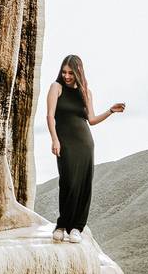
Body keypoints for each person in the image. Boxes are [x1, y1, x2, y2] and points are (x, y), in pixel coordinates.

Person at [46, 55, 125, 243]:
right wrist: (54, 139)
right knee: (68, 182)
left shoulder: (86, 92)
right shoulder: (56, 88)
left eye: (71, 73)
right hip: (65, 142)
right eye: (64, 72)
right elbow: (50, 116)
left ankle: (76, 228)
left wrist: (110, 111)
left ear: (78, 72)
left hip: (85, 143)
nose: (66, 76)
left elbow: (91, 120)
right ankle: (62, 225)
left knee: (83, 184)